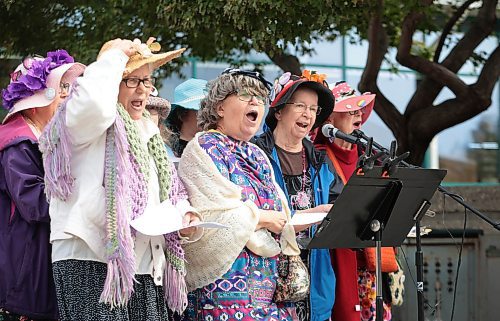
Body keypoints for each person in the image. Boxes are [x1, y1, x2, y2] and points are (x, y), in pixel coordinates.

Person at [39, 37, 200, 321]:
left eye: (147, 81)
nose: (143, 89)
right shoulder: (85, 121)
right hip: (89, 259)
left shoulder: (146, 131)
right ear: (112, 81)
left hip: (143, 265)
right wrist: (113, 56)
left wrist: (185, 215)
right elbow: (96, 106)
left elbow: (169, 191)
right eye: (132, 80)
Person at [178, 68, 303, 321]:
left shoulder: (257, 154)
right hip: (222, 291)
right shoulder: (203, 148)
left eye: (260, 96)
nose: (255, 101)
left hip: (267, 287)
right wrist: (264, 218)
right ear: (220, 107)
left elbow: (278, 211)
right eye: (245, 94)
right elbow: (211, 216)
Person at [0, 51, 84, 321]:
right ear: (35, 103)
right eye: (60, 89)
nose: (66, 97)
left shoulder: (44, 138)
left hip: (35, 268)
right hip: (24, 276)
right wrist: (84, 193)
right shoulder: (18, 144)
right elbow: (35, 204)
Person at [253, 70, 342, 321]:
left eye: (313, 109)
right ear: (278, 111)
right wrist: (314, 215)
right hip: (266, 281)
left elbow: (341, 212)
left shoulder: (321, 162)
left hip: (315, 282)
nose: (308, 114)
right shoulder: (255, 155)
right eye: (300, 105)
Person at [314, 81, 392, 321]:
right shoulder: (316, 155)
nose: (357, 113)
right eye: (349, 109)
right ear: (330, 120)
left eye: (359, 110)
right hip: (335, 259)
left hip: (370, 263)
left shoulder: (370, 157)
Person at [166, 78, 207, 157]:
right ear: (182, 114)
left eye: (210, 111)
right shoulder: (167, 151)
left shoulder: (214, 147)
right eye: (200, 111)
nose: (208, 115)